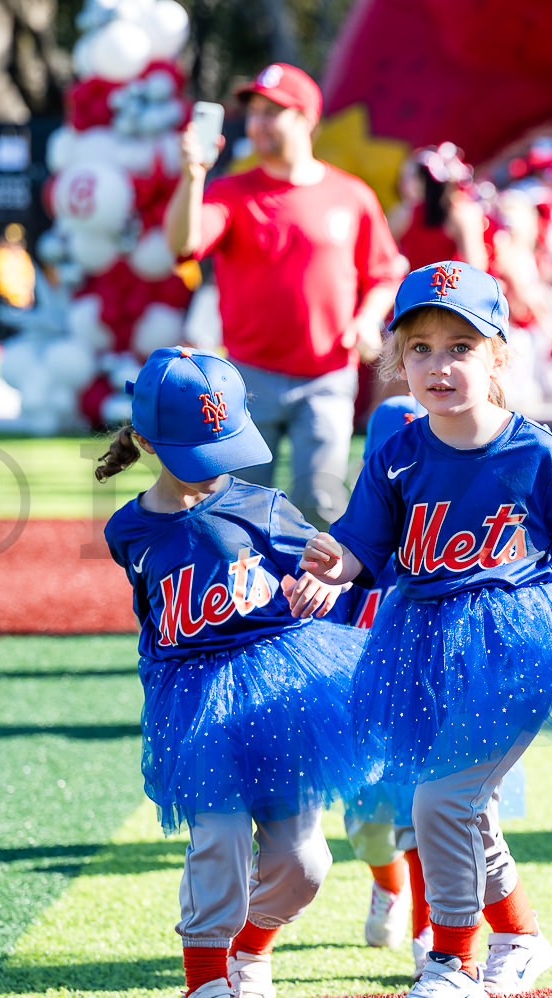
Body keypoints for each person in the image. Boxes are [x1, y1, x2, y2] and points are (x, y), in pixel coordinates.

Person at [296, 261, 552, 998]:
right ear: (398, 359)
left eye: (461, 347)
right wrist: (325, 566)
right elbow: (363, 547)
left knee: (443, 802)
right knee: (467, 805)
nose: (438, 365)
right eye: (421, 348)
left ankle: (453, 961)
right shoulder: (399, 450)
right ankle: (522, 936)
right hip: (423, 640)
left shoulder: (534, 451)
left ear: (498, 355)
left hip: (520, 644)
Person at [95, 346, 368, 998]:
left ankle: (251, 948)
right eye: (197, 455)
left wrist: (324, 587)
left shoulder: (267, 508)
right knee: (216, 841)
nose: (214, 472)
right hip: (192, 699)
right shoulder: (127, 530)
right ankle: (206, 980)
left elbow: (335, 568)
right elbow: (153, 613)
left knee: (302, 863)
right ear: (145, 442)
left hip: (279, 692)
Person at [164, 63, 403, 528]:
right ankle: (249, 601)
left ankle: (321, 602)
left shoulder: (351, 195)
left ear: (308, 118)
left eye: (274, 111)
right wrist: (193, 175)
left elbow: (385, 272)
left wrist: (366, 319)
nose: (258, 123)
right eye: (253, 112)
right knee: (239, 511)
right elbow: (183, 243)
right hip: (246, 379)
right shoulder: (230, 192)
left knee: (320, 501)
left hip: (328, 375)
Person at [389, 143, 489, 272]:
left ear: (424, 181)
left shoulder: (461, 214)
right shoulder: (402, 214)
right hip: (440, 288)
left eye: (408, 177)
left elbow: (476, 266)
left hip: (443, 287)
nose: (401, 184)